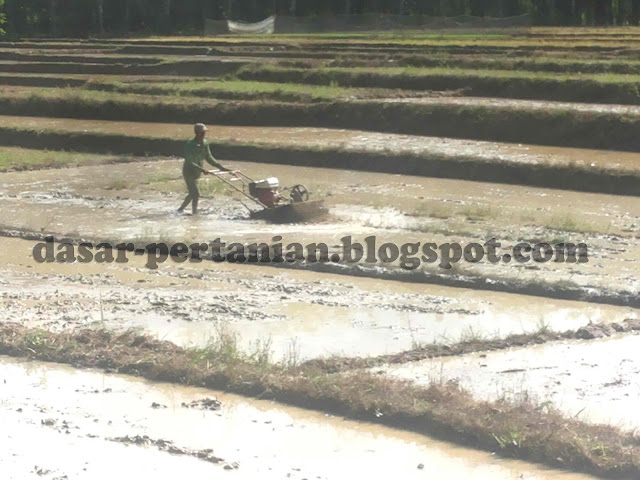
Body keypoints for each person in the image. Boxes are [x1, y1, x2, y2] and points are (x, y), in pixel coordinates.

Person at [178, 123, 228, 215]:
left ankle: (180, 209)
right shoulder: (189, 145)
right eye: (204, 132)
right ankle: (194, 214)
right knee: (196, 194)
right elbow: (190, 161)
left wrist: (220, 166)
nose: (205, 134)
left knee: (192, 193)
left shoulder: (205, 143)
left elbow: (209, 157)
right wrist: (202, 169)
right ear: (198, 133)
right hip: (189, 172)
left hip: (197, 172)